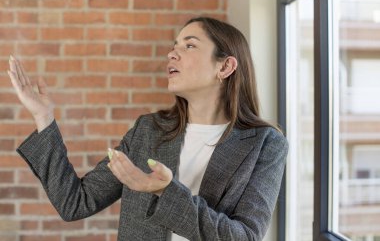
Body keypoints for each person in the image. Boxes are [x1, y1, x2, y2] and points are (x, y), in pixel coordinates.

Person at [7, 16, 288, 241]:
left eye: (189, 45)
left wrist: (166, 191)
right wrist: (43, 117)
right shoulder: (149, 130)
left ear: (225, 66)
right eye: (174, 45)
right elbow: (75, 203)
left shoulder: (265, 143)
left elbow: (245, 237)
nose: (172, 54)